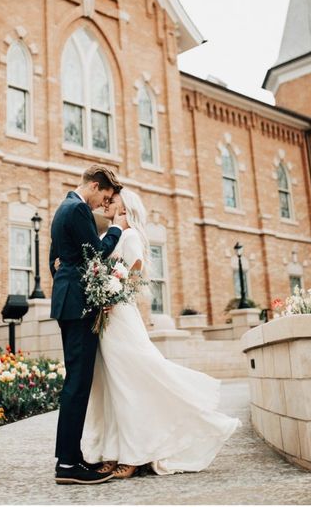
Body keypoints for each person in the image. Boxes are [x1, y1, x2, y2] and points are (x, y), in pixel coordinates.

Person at [80, 188, 242, 478]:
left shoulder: (129, 237)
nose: (107, 204)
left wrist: (110, 296)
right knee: (112, 386)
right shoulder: (108, 237)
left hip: (120, 318)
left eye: (112, 201)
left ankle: (134, 455)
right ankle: (112, 450)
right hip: (106, 321)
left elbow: (134, 275)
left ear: (125, 209)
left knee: (131, 382)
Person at [49, 164, 128, 485]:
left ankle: (71, 457)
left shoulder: (63, 207)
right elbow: (96, 254)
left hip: (69, 300)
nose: (102, 204)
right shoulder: (78, 208)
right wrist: (117, 230)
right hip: (78, 305)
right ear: (95, 186)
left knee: (77, 381)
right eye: (105, 196)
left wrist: (68, 282)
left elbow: (55, 260)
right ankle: (67, 464)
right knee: (77, 384)